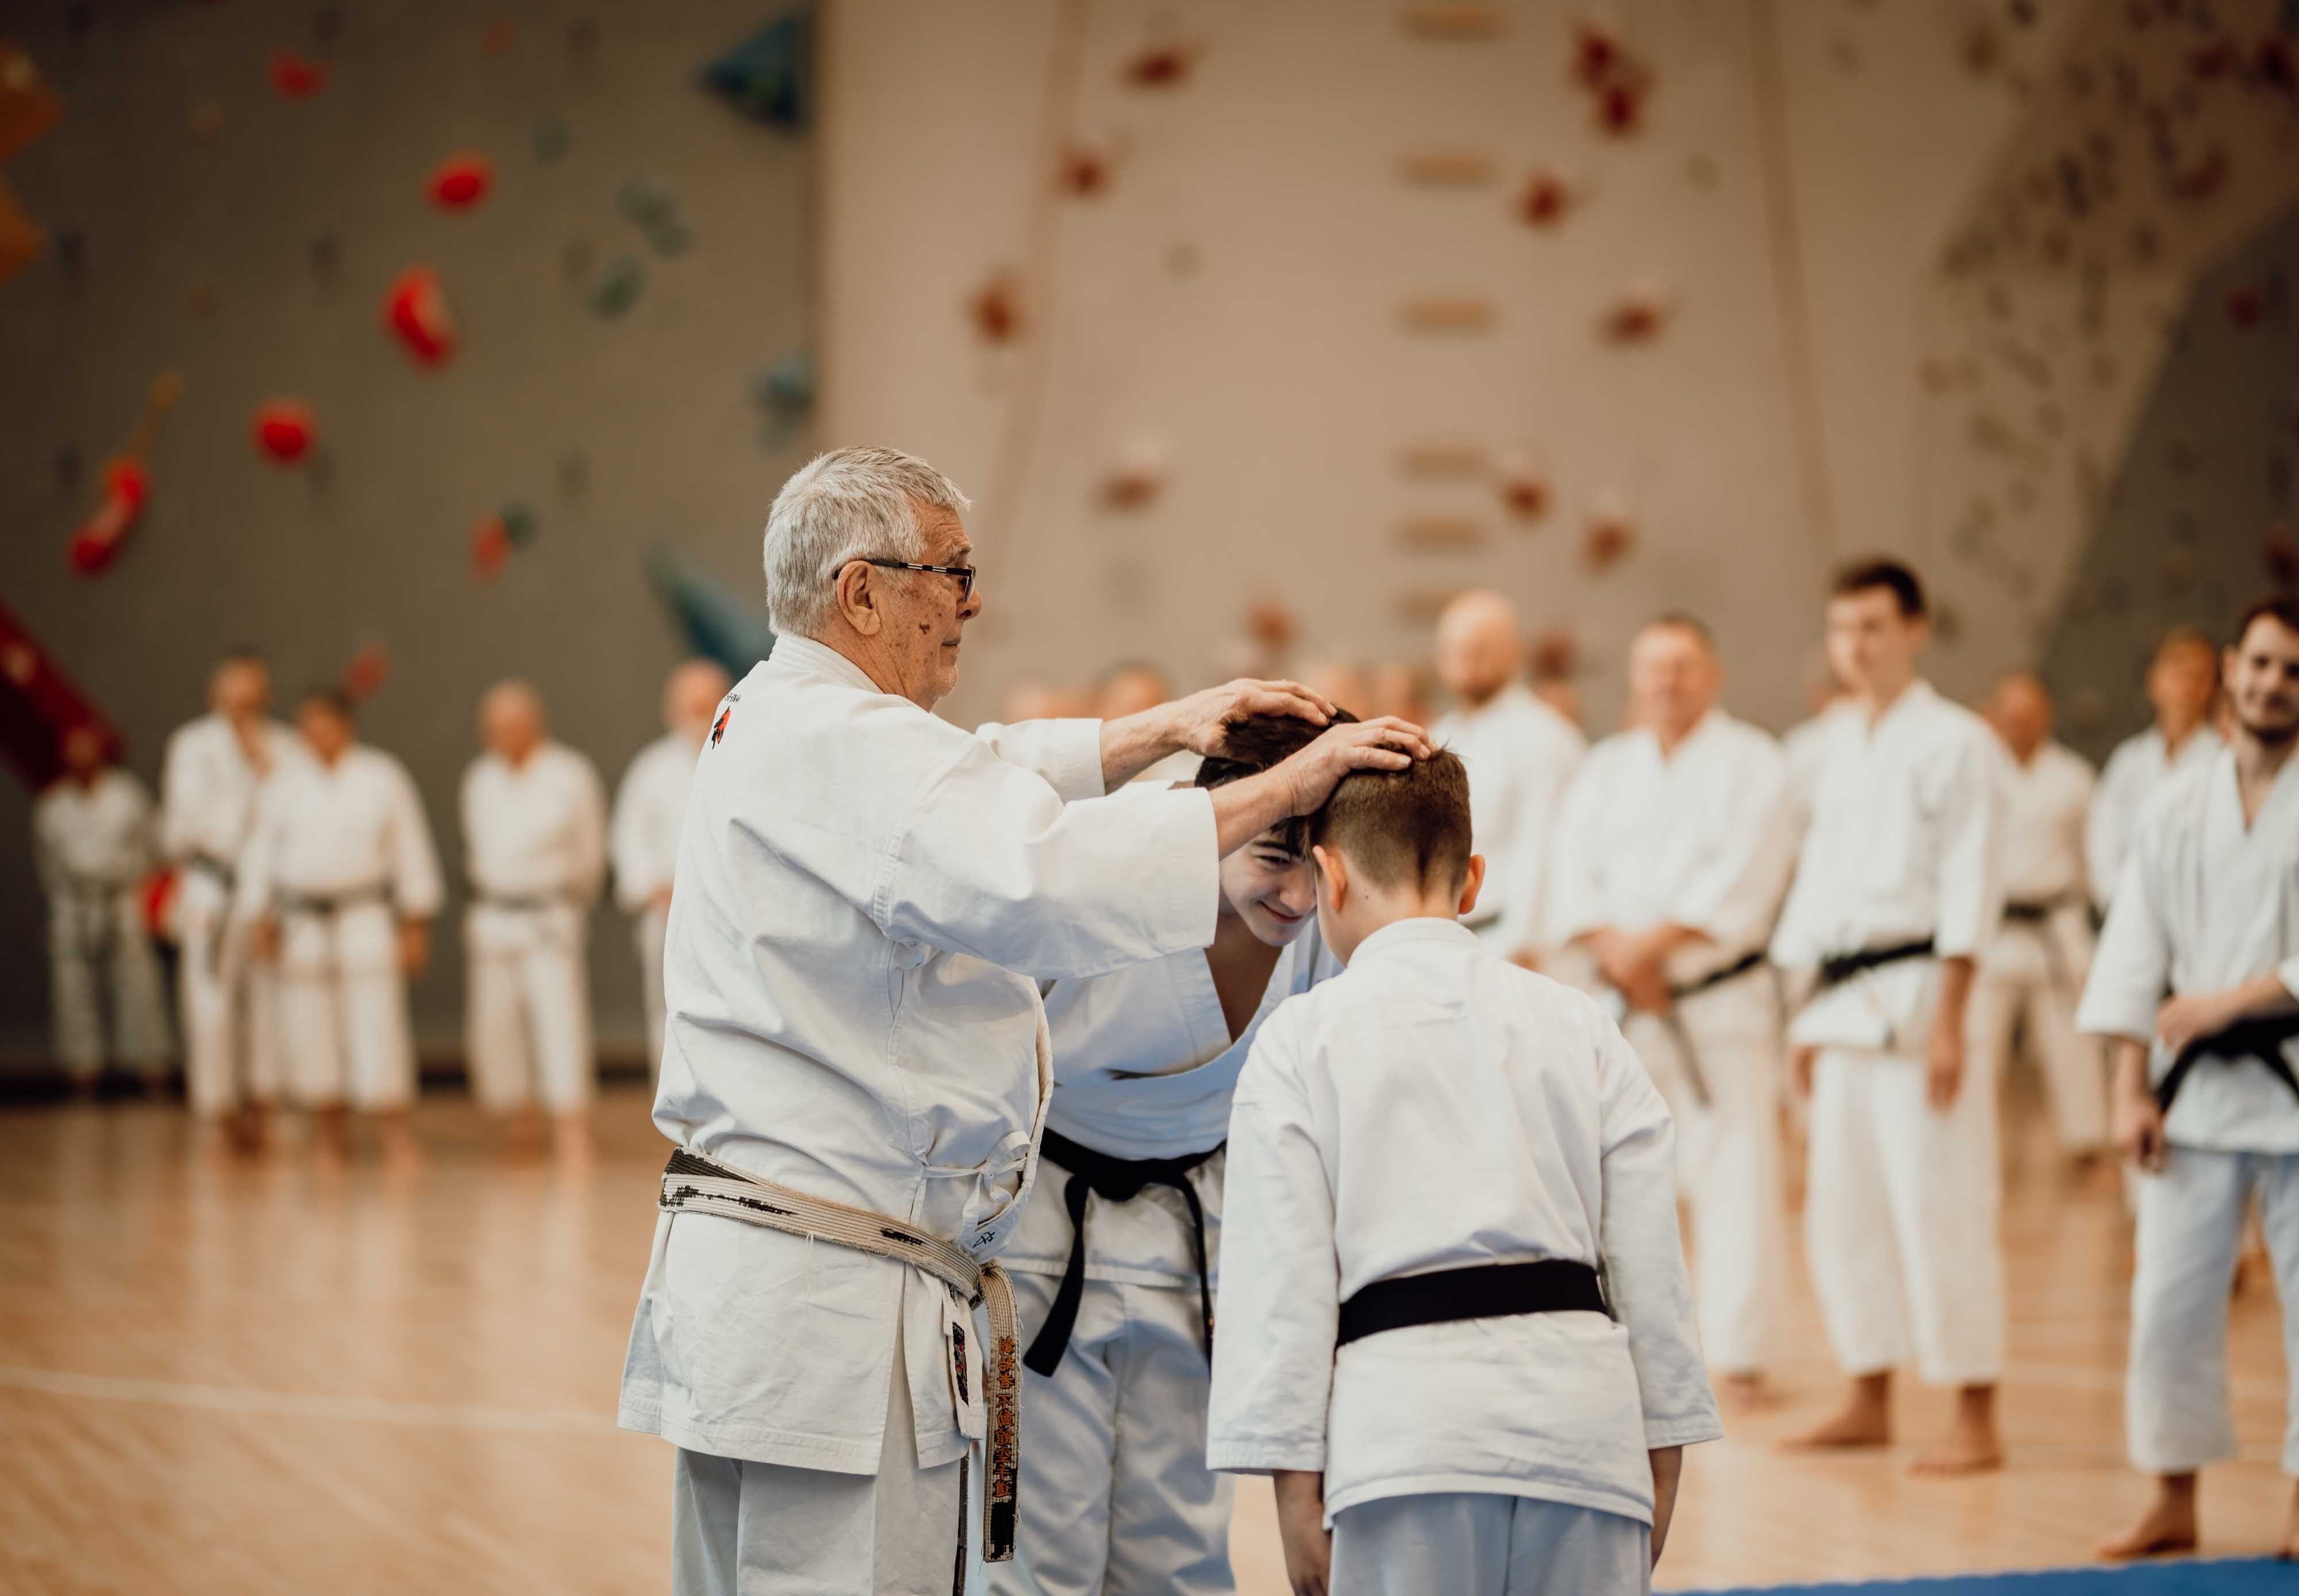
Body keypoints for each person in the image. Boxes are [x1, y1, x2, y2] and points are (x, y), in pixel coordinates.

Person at [612, 446, 1431, 1596]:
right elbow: (1034, 873)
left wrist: (1166, 725)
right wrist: (1272, 794)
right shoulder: (845, 739)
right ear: (860, 591)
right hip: (828, 1306)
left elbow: (981, 773)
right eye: (949, 571)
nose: (971, 599)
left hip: (781, 1289)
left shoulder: (784, 711)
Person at [1208, 748, 1720, 1596]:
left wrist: (1293, 1493)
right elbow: (1651, 1270)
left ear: (1328, 876)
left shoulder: (1303, 1038)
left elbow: (1281, 1285)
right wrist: (1661, 1455)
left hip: (1407, 1437)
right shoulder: (1581, 1024)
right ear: (1473, 880)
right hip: (1585, 1428)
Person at [992, 712, 1345, 1596]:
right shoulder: (1108, 865)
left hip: (1199, 1238)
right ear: (1207, 813)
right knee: (1045, 1547)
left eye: (1316, 865)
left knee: (1180, 1546)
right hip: (1045, 1235)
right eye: (1272, 856)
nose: (1297, 898)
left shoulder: (1326, 936)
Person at [1769, 558, 2008, 1474]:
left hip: (1921, 998)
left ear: (1916, 628)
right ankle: (1867, 1392)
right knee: (1845, 1209)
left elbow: (1969, 884)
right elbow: (1818, 888)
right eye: (1841, 630)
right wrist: (1803, 1022)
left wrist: (1952, 1017)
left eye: (1872, 627)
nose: (1855, 646)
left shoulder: (1956, 741)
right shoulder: (1829, 745)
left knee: (1940, 1203)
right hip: (1840, 1003)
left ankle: (1975, 1410)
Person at [2080, 598, 2299, 1561]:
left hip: (2291, 1079)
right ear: (2231, 667)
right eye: (2260, 663)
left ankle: (2298, 1510)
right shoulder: (2174, 802)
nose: (2272, 683)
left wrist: (2228, 1003)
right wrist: (2131, 1085)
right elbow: (2137, 947)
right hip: (2193, 1095)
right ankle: (2173, 1496)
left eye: (2293, 670)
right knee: (2167, 1305)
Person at [1547, 614, 1798, 1402]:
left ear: (1713, 673)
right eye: (1653, 668)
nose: (1667, 682)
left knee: (1736, 1178)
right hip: (1621, 1002)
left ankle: (1740, 1357)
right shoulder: (1604, 767)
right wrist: (1620, 952)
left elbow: (1749, 877)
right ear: (1633, 677)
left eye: (1683, 667)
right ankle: (1620, 1347)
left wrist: (1653, 948)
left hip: (1716, 1002)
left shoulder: (1757, 762)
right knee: (1613, 1179)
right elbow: (1570, 879)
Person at [241, 689, 443, 1165]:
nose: (315, 733)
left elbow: (410, 850)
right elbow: (260, 855)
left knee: (378, 1028)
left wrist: (415, 923)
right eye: (307, 724)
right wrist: (259, 915)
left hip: (365, 916)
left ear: (345, 724)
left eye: (324, 722)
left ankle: (395, 1135)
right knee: (311, 1032)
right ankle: (329, 1137)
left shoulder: (381, 775)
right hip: (303, 921)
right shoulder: (283, 783)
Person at [462, 680, 608, 1162]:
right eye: (493, 726)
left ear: (533, 723)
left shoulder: (569, 773)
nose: (501, 734)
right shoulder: (480, 779)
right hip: (495, 913)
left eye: (510, 724)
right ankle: (521, 1117)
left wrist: (569, 899)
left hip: (548, 913)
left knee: (559, 1020)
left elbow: (590, 854)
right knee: (499, 1023)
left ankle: (571, 1124)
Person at [162, 649, 299, 1147]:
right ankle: (219, 1115)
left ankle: (264, 1105)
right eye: (234, 692)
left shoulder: (286, 744)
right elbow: (184, 827)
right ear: (216, 693)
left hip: (268, 893)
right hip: (212, 887)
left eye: (253, 692)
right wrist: (250, 788)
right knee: (211, 1004)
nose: (244, 702)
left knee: (270, 1003)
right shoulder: (192, 746)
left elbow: (293, 822)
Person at [1973, 670, 2105, 1162]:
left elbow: (2095, 857)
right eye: (2009, 717)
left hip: (2056, 921)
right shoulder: (1977, 773)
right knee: (1978, 1044)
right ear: (1992, 718)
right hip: (1995, 926)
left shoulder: (2073, 777)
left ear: (2046, 718)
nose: (2019, 726)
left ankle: (2086, 1141)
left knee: (2073, 1041)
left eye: (2028, 717)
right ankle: (1971, 1137)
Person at [1431, 590, 1586, 968]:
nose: (1467, 659)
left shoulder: (1545, 736)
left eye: (1482, 647)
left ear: (1515, 652)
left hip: (1514, 944)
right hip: (1441, 936)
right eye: (1456, 648)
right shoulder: (1436, 734)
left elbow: (1547, 850)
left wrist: (1523, 947)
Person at [34, 724, 171, 1094]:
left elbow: (154, 847)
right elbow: (47, 865)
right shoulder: (53, 805)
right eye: (73, 749)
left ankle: (150, 1066)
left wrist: (141, 891)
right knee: (74, 991)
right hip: (75, 903)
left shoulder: (128, 795)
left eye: (87, 748)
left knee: (139, 987)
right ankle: (84, 1070)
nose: (81, 757)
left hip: (123, 896)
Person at [612, 660, 732, 1076]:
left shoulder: (743, 756)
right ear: (673, 709)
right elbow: (627, 840)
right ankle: (673, 1113)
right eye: (691, 705)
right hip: (668, 912)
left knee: (730, 1012)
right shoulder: (651, 768)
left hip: (731, 913)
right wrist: (651, 888)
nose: (700, 714)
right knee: (667, 1012)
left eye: (707, 703)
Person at [2087, 628, 2223, 914]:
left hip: (2201, 912)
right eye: (2178, 672)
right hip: (2127, 906)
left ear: (2213, 687)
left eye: (2200, 677)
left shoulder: (2225, 759)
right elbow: (2103, 836)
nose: (2188, 685)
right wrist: (2115, 897)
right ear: (2154, 681)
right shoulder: (2129, 759)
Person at [1098, 659, 1200, 784]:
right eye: (1127, 708)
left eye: (1148, 708)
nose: (1138, 721)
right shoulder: (1088, 781)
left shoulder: (1191, 773)